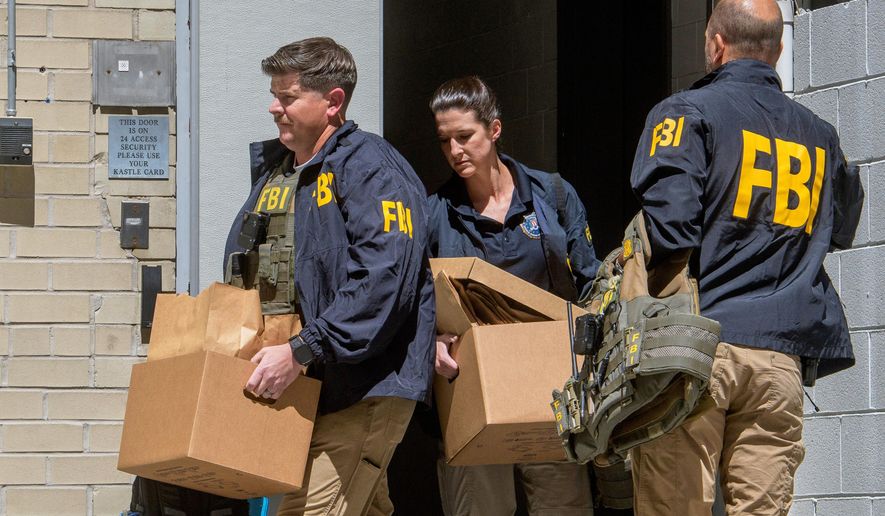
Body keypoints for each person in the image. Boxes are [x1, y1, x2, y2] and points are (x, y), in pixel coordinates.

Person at [626, 1, 864, 514]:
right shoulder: (822, 135)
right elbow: (841, 230)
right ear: (778, 50)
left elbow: (671, 229)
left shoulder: (685, 112)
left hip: (698, 349)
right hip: (779, 360)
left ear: (714, 44)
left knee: (674, 507)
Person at [224, 37, 436, 516]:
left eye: (288, 97)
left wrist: (303, 350)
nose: (273, 107)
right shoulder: (280, 176)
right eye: (274, 95)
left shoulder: (370, 168)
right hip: (311, 390)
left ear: (333, 101)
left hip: (362, 389)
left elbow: (384, 278)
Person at [426, 76, 601, 516]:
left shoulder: (553, 197)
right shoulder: (434, 214)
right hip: (470, 385)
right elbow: (413, 298)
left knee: (563, 507)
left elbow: (592, 283)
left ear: (495, 130)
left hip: (551, 387)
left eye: (465, 137)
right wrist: (429, 343)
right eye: (445, 141)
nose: (454, 151)